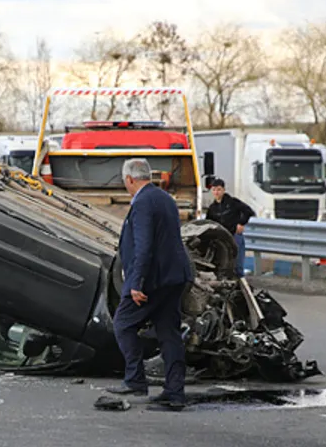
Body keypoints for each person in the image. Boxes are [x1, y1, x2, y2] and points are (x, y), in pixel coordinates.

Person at [106, 158, 195, 411]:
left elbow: (144, 246)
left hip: (153, 280)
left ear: (130, 179)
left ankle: (135, 379)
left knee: (123, 324)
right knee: (169, 335)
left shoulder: (143, 202)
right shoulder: (164, 198)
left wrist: (136, 283)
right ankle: (174, 393)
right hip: (174, 276)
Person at [205, 178, 256, 277]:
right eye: (214, 189)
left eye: (219, 189)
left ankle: (242, 286)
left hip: (234, 235)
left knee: (237, 265)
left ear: (223, 190)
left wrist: (241, 223)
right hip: (222, 239)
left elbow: (249, 211)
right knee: (223, 266)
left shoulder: (233, 202)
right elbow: (209, 223)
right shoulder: (212, 208)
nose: (216, 192)